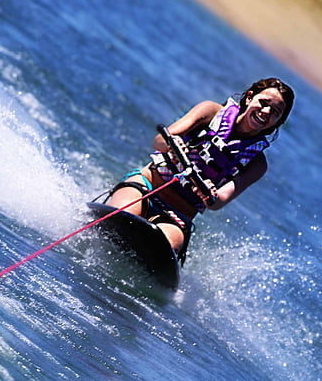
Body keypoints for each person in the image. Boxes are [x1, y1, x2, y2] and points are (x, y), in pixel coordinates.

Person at [105, 77, 295, 262]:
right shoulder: (210, 111)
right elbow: (159, 142)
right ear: (249, 98)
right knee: (123, 217)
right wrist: (173, 142)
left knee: (161, 248)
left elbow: (218, 202)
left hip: (177, 215)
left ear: (277, 122)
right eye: (264, 102)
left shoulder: (257, 164)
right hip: (147, 186)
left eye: (276, 112)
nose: (266, 111)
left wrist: (211, 192)